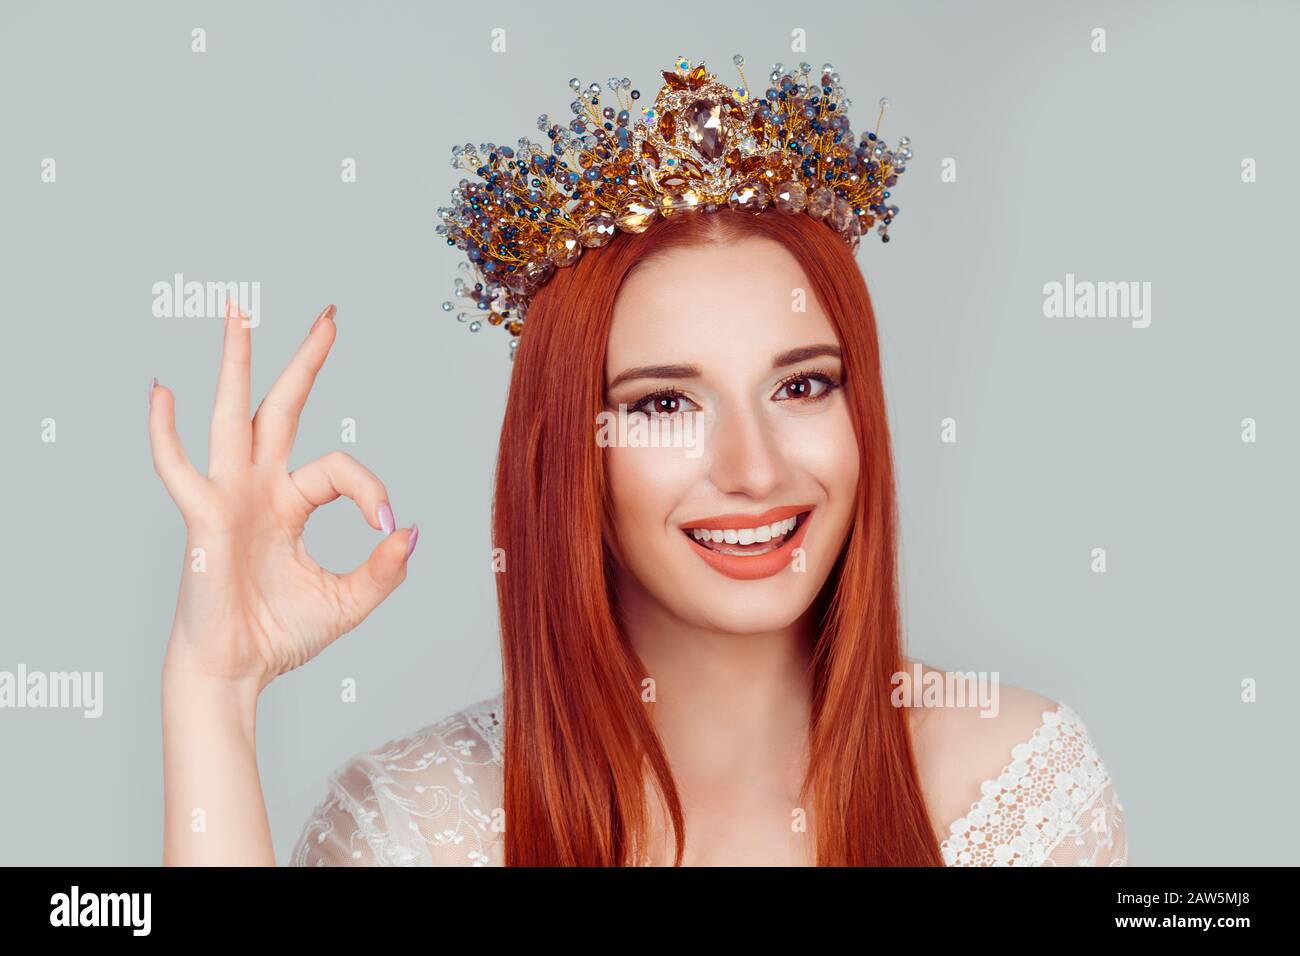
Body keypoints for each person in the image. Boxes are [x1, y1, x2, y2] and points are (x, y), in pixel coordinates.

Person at [148, 57, 1128, 867]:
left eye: (800, 386)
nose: (752, 468)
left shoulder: (1014, 786)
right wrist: (214, 689)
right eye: (664, 403)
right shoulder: (423, 827)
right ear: (568, 449)